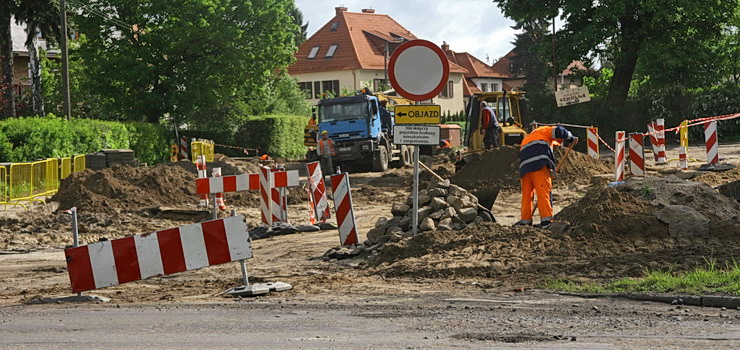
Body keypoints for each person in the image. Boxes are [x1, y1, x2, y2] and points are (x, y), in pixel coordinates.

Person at [515, 125, 577, 228]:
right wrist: (571, 137)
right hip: (539, 164)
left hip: (524, 168)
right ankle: (546, 221)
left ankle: (525, 222)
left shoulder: (529, 137)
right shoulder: (545, 130)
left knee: (527, 195)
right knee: (543, 192)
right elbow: (559, 130)